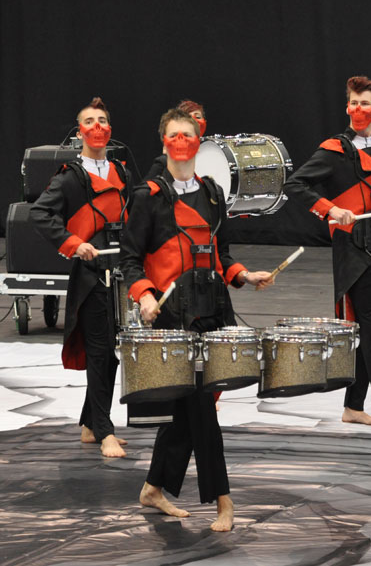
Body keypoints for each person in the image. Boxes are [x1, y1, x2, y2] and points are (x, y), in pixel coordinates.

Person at [120, 108, 273, 531]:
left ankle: (153, 487)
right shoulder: (147, 196)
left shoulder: (211, 192)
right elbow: (130, 261)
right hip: (172, 316)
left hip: (213, 311)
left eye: (188, 134)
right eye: (174, 135)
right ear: (164, 141)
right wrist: (146, 296)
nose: (182, 141)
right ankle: (224, 501)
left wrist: (242, 274)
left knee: (188, 411)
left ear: (199, 139)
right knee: (202, 410)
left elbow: (220, 256)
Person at [282, 75, 371, 436]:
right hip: (354, 249)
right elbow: (295, 185)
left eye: (365, 103)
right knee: (369, 325)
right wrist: (330, 210)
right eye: (352, 103)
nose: (357, 109)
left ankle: (353, 407)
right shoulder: (335, 149)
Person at [30, 97, 131, 458]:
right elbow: (41, 213)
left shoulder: (121, 172)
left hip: (118, 275)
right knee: (100, 353)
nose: (98, 126)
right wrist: (74, 243)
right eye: (90, 121)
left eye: (103, 120)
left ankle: (90, 424)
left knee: (113, 356)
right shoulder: (71, 177)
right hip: (91, 278)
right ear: (80, 132)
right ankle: (105, 432)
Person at [145, 99, 207, 181]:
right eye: (189, 117)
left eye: (198, 117)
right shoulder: (164, 161)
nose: (195, 120)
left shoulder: (212, 151)